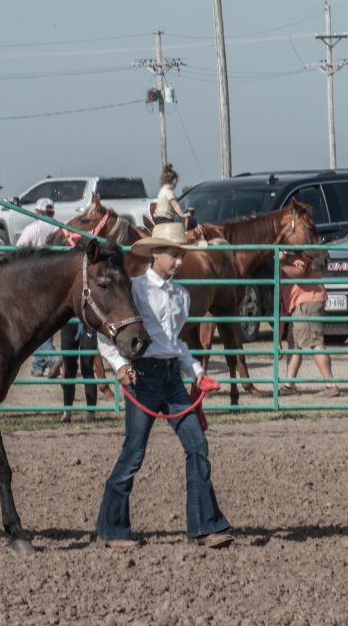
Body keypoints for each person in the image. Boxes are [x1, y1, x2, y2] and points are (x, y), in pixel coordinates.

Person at [95, 221, 232, 550]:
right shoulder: (133, 290)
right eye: (173, 254)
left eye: (182, 255)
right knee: (133, 454)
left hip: (171, 379)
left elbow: (176, 343)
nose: (179, 261)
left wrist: (196, 371)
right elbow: (106, 335)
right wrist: (121, 365)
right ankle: (111, 529)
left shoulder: (181, 296)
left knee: (197, 445)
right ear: (155, 253)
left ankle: (204, 526)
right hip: (142, 377)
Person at [279, 252, 340, 397]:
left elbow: (299, 273)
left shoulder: (300, 250)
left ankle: (330, 385)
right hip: (300, 302)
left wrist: (281, 263)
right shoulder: (297, 250)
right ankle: (289, 385)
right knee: (294, 344)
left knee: (315, 342)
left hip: (306, 301)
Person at [18, 198, 59, 376]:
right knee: (47, 322)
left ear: (37, 211)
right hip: (55, 280)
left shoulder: (32, 229)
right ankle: (38, 366)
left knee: (34, 325)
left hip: (35, 280)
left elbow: (18, 251)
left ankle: (52, 358)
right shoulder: (59, 229)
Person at [59, 322, 97, 423]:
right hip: (68, 322)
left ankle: (91, 413)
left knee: (87, 369)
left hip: (88, 323)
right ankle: (67, 412)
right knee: (68, 370)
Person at [152, 163, 195, 229]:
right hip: (166, 219)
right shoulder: (169, 192)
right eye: (176, 182)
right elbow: (175, 206)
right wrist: (183, 215)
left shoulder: (161, 191)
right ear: (174, 181)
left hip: (158, 218)